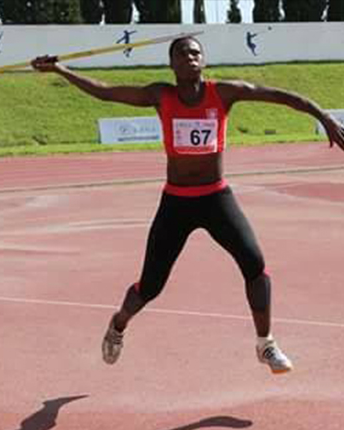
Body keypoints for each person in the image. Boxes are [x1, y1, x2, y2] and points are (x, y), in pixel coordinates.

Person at [32, 36, 344, 374]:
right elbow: (105, 92)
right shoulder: (160, 95)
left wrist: (323, 115)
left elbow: (281, 96)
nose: (189, 57)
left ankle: (265, 343)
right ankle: (118, 324)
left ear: (203, 61)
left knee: (254, 264)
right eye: (181, 53)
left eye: (195, 52)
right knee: (150, 286)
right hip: (176, 203)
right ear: (172, 64)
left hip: (215, 198)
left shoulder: (223, 92)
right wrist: (61, 70)